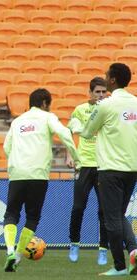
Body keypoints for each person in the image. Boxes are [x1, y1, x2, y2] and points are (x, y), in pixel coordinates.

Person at [2, 88, 80, 272]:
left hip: (17, 174)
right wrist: (77, 158)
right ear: (45, 103)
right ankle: (19, 256)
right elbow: (65, 134)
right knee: (32, 217)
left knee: (11, 214)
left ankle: (10, 250)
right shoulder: (48, 117)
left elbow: (7, 147)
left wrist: (16, 162)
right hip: (38, 174)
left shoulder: (18, 121)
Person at [81, 63, 137, 276]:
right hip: (132, 168)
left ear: (112, 80)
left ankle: (120, 266)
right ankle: (133, 252)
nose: (104, 78)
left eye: (106, 76)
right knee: (118, 214)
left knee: (110, 217)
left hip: (111, 169)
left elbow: (87, 132)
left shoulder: (105, 104)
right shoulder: (136, 103)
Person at [66, 77, 109, 265]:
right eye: (97, 92)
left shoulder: (108, 110)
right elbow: (69, 131)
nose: (100, 95)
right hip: (84, 165)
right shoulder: (80, 109)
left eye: (103, 91)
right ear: (90, 93)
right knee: (78, 207)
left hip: (103, 165)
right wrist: (69, 155)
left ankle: (103, 249)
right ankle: (74, 244)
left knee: (104, 210)